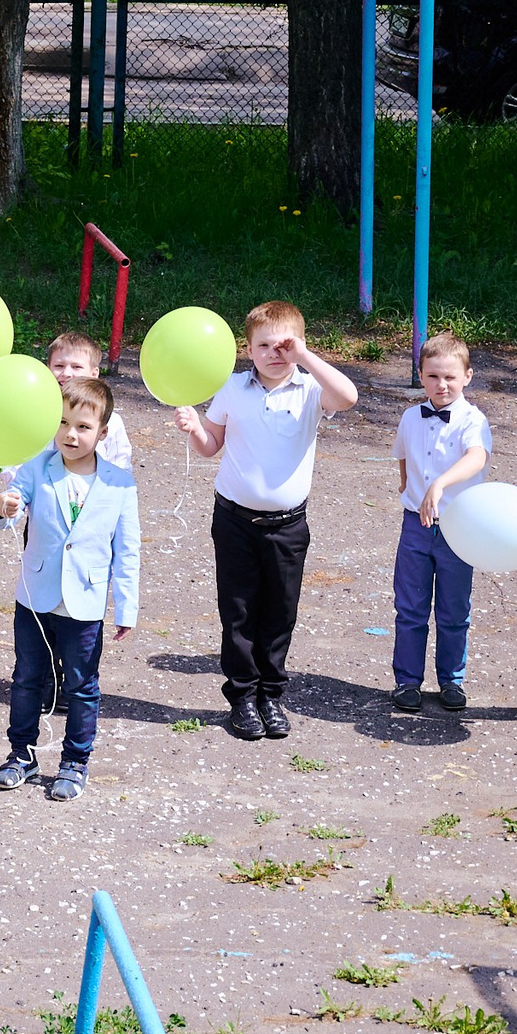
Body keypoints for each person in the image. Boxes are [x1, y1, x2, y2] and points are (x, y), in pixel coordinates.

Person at [173, 300, 359, 741]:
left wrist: (306, 358)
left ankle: (271, 695)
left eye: (286, 345)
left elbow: (349, 397)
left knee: (280, 612)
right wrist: (195, 427)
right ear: (248, 349)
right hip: (234, 520)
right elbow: (210, 445)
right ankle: (242, 697)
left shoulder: (311, 389)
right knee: (237, 611)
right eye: (265, 346)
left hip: (287, 526)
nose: (276, 353)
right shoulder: (233, 389)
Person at [0, 378, 141, 801]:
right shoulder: (38, 466)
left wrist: (126, 607)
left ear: (102, 433)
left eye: (83, 427)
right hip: (35, 596)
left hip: (85, 602)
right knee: (26, 679)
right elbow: (7, 506)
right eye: (63, 423)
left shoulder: (120, 483)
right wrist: (2, 506)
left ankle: (75, 762)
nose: (71, 434)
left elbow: (127, 550)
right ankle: (21, 754)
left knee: (81, 685)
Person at [390, 333, 489, 715]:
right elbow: (402, 453)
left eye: (450, 376)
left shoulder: (472, 420)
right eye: (432, 376)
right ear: (421, 375)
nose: (441, 385)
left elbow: (477, 457)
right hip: (415, 523)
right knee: (411, 605)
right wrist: (407, 484)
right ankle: (407, 682)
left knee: (453, 608)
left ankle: (452, 680)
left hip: (457, 528)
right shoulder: (410, 417)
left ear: (467, 376)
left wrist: (440, 483)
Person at [44, 332, 131, 469]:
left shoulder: (110, 421)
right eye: (59, 366)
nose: (66, 373)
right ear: (48, 369)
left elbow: (121, 464)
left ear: (94, 374)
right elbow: (19, 459)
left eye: (76, 367)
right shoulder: (38, 414)